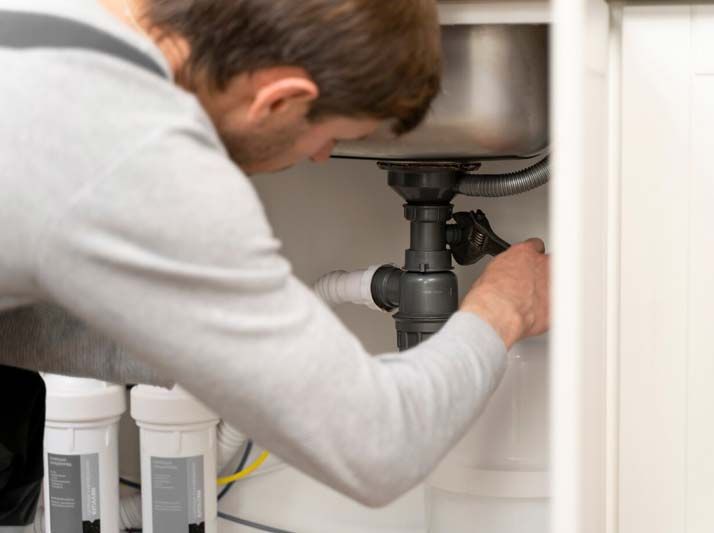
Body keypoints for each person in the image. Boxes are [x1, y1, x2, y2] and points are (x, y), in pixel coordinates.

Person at [0, 0, 550, 517]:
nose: (319, 156)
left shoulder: (55, 24)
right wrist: (504, 307)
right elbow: (377, 445)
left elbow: (25, 315)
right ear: (279, 99)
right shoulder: (147, 154)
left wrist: (228, 351)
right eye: (328, 135)